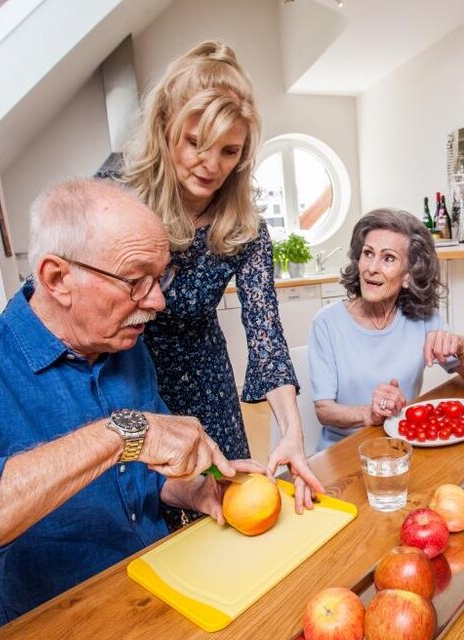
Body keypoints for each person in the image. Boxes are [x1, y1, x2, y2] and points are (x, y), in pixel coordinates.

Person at [0, 179, 264, 636]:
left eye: (162, 278)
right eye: (136, 280)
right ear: (58, 278)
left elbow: (135, 481)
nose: (157, 301)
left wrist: (190, 489)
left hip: (162, 603)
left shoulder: (125, 348)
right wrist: (117, 435)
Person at [110, 41, 322, 526]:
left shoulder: (244, 226)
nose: (212, 164)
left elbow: (266, 336)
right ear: (166, 128)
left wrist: (291, 431)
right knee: (145, 520)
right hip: (132, 383)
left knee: (226, 516)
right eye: (195, 143)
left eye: (230, 150)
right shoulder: (119, 198)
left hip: (208, 386)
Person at [308, 208, 464, 449]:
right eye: (368, 253)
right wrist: (368, 414)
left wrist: (461, 346)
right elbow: (324, 410)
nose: (372, 268)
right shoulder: (326, 322)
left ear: (408, 276)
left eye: (388, 258)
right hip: (344, 451)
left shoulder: (424, 319)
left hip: (404, 446)